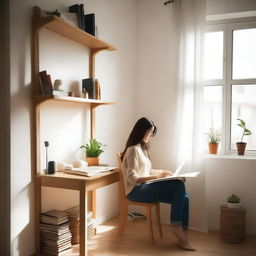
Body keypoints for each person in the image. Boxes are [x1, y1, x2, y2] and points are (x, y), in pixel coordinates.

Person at [120, 117, 195, 251]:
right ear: (141, 131)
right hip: (135, 191)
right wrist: (157, 176)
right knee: (178, 185)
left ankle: (183, 237)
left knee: (185, 197)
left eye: (151, 133)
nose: (150, 136)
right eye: (149, 132)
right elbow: (131, 177)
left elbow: (145, 171)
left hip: (144, 188)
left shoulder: (142, 148)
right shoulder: (132, 150)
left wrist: (164, 172)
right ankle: (176, 227)